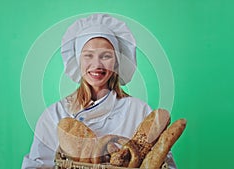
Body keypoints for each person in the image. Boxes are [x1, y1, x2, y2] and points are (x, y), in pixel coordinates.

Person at [22, 13, 177, 169]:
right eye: (88, 55)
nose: (97, 64)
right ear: (78, 60)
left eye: (106, 56)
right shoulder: (55, 114)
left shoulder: (139, 110)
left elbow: (165, 163)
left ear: (116, 62)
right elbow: (36, 165)